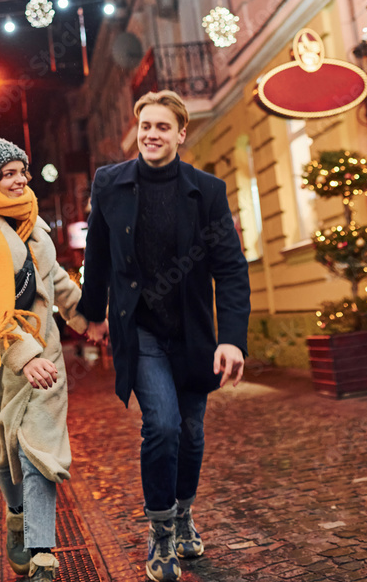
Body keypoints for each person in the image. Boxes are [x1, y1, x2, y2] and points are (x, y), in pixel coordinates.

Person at [78, 90, 251, 582]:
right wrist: (94, 313)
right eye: (145, 126)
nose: (151, 134)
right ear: (138, 131)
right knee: (164, 426)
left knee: (192, 432)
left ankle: (183, 513)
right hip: (143, 332)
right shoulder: (109, 183)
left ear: (180, 133)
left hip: (194, 334)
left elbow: (231, 269)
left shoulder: (206, 191)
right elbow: (98, 253)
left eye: (162, 127)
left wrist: (232, 339)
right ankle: (160, 535)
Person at [0, 127, 88, 582]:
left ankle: (42, 551)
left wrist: (94, 319)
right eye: (7, 174)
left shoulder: (34, 223)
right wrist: (21, 356)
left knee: (39, 453)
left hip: (43, 360)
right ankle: (15, 515)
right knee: (5, 455)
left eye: (22, 171)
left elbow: (57, 283)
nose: (19, 180)